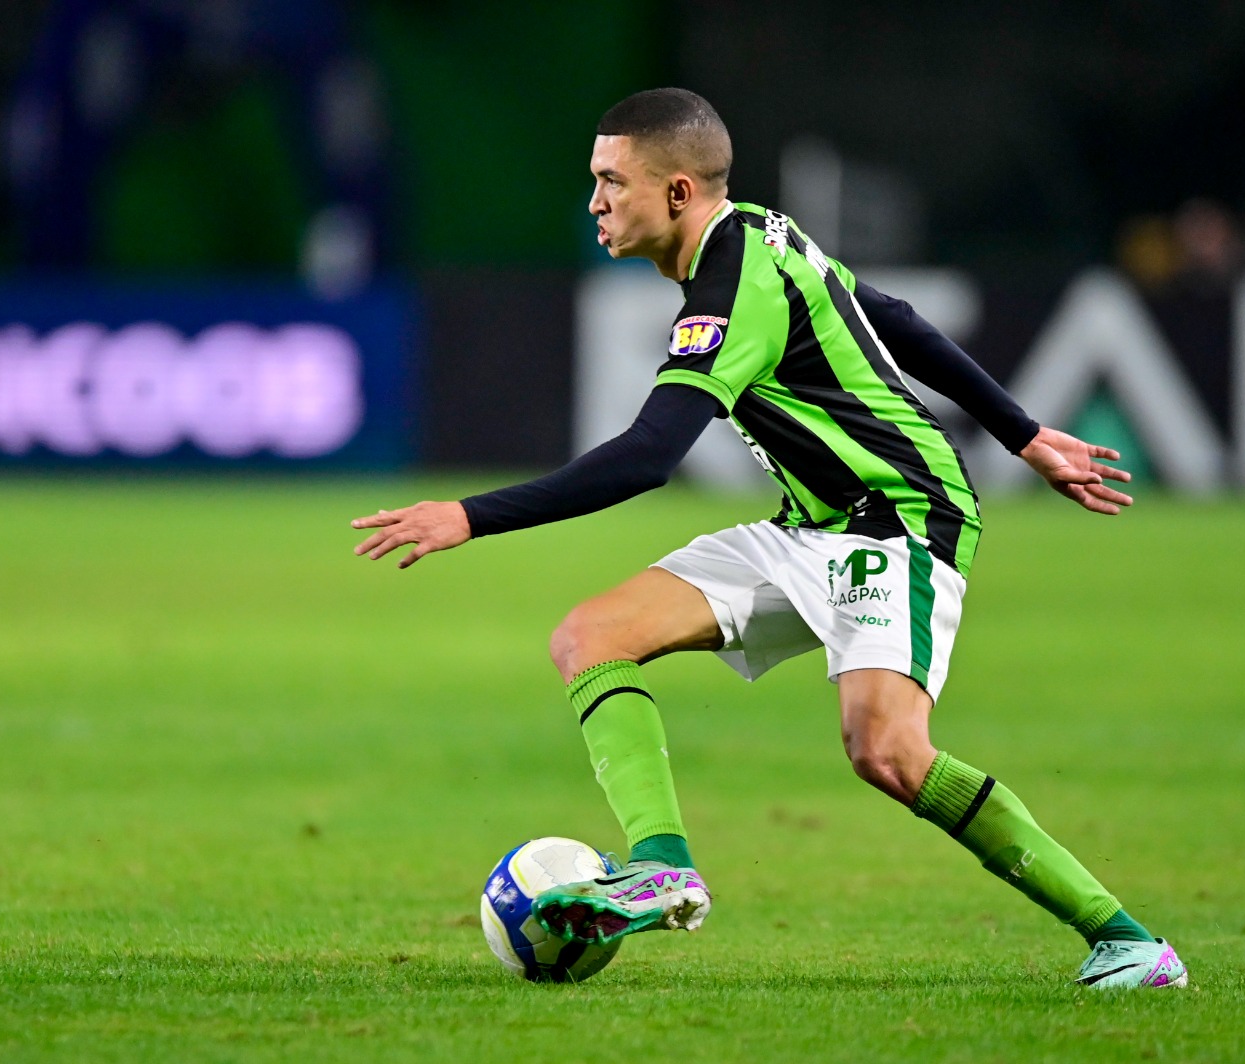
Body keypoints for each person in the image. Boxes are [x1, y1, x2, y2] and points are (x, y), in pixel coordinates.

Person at [352, 88, 1186, 989]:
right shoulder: (759, 231)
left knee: (889, 754)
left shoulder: (728, 289)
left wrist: (468, 516)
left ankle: (1132, 941)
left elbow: (645, 458)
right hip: (810, 527)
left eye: (609, 181)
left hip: (900, 519)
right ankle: (663, 864)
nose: (594, 201)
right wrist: (1025, 433)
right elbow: (892, 317)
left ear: (676, 192)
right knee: (588, 637)